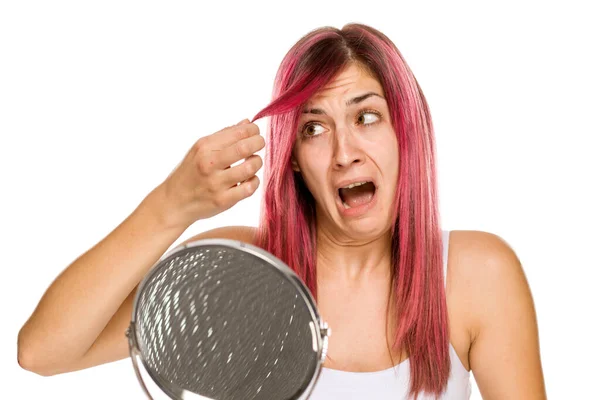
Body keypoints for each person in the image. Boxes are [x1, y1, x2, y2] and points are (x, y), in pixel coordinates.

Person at [17, 23, 546, 399]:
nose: (345, 153)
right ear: (292, 159)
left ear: (406, 131)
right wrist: (171, 206)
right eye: (314, 128)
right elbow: (43, 353)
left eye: (367, 116)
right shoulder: (235, 271)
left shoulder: (477, 274)